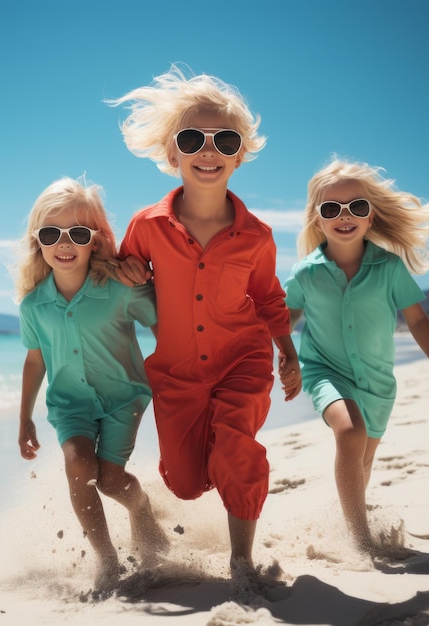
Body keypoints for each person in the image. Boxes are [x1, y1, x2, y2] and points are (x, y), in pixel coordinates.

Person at [106, 65, 302, 582]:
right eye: (193, 138)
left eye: (224, 139)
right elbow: (125, 275)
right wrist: (124, 272)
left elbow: (267, 295)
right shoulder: (146, 225)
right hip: (175, 372)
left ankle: (242, 560)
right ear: (173, 155)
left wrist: (288, 351)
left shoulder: (257, 235)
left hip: (244, 357)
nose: (208, 149)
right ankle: (212, 474)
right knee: (186, 482)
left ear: (240, 154)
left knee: (236, 446)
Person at [283, 158, 429, 555]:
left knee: (362, 459)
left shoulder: (389, 267)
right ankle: (359, 541)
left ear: (370, 215)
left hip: (379, 382)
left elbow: (417, 321)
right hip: (324, 371)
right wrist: (286, 357)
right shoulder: (306, 273)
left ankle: (346, 519)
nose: (344, 216)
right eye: (331, 208)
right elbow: (286, 317)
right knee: (349, 432)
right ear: (318, 217)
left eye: (356, 207)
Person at [13, 176, 168, 592]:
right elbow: (35, 359)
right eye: (51, 233)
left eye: (77, 233)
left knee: (113, 481)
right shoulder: (33, 305)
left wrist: (145, 280)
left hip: (123, 398)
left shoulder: (118, 290)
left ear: (95, 241)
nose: (64, 243)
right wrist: (24, 417)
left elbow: (166, 324)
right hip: (69, 404)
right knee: (79, 464)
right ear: (38, 242)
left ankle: (142, 511)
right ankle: (107, 560)